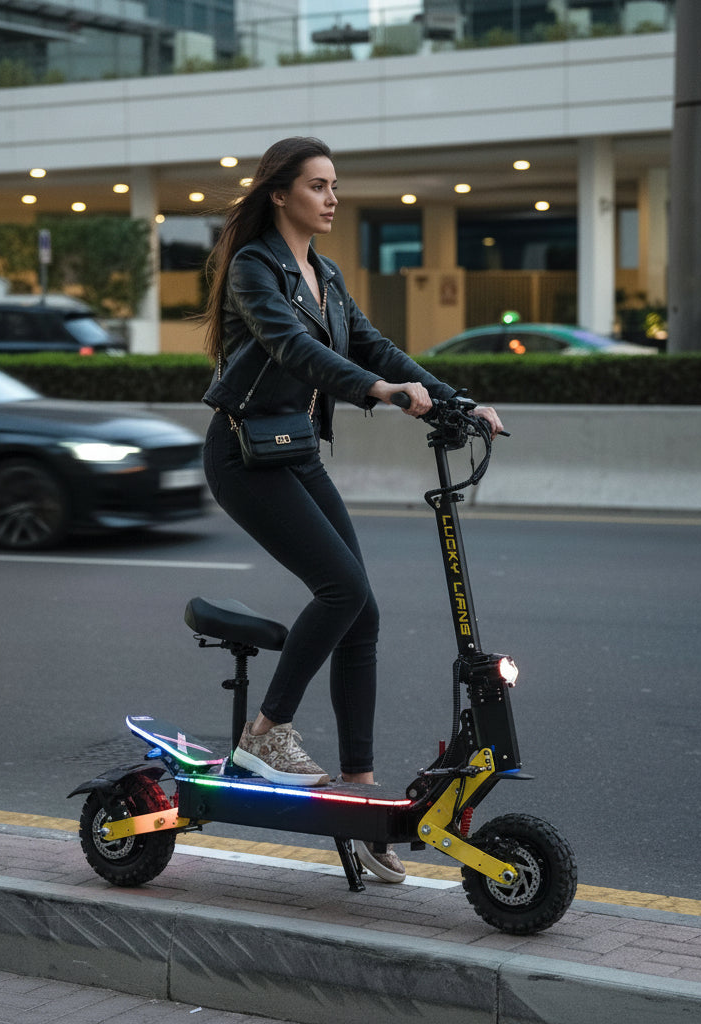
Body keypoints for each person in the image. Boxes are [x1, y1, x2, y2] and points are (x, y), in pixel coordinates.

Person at [200, 137, 504, 883]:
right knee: (342, 589)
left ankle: (361, 804)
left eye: (335, 185)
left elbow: (373, 344)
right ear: (280, 194)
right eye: (317, 185)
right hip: (244, 453)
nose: (331, 198)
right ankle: (264, 733)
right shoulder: (253, 269)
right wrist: (380, 394)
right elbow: (295, 350)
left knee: (360, 613)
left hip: (294, 449)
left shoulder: (327, 275)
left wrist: (456, 400)